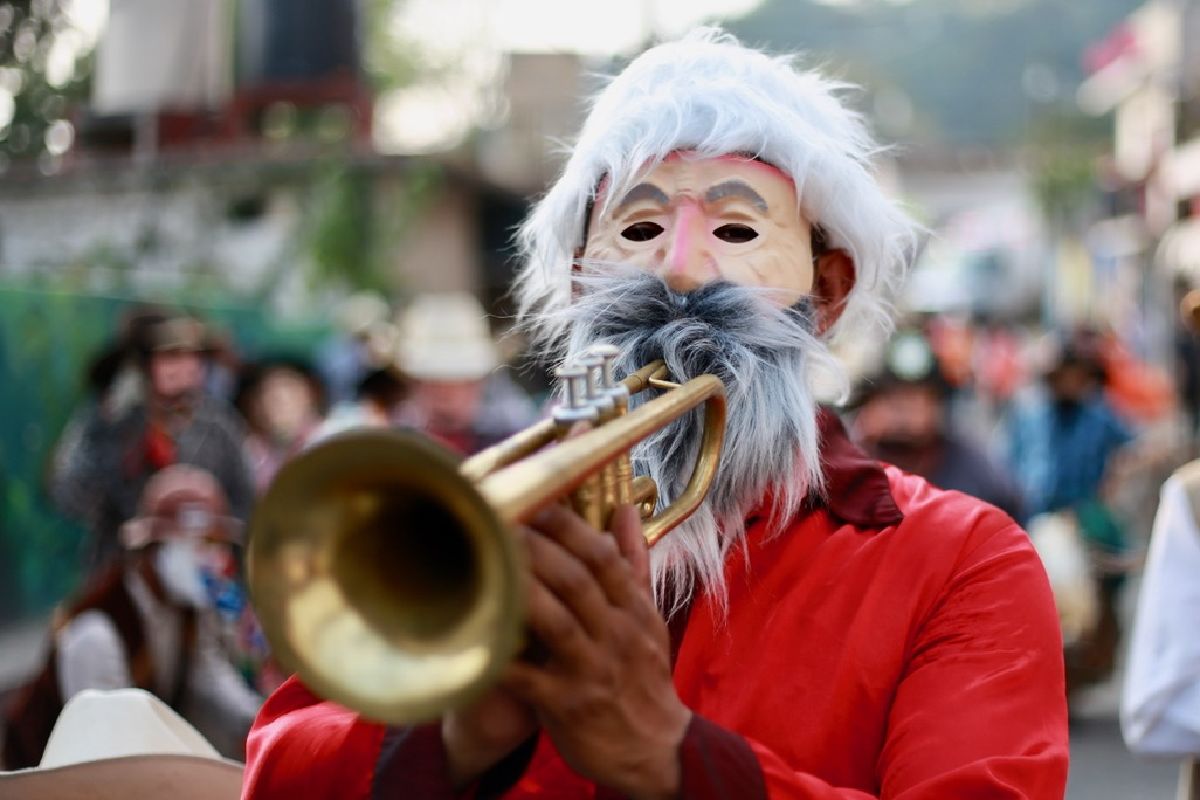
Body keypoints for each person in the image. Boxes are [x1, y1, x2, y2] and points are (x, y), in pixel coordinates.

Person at [244, 29, 1068, 798]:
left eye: (738, 231)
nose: (677, 270)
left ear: (824, 292)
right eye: (638, 227)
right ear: (575, 280)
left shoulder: (959, 561)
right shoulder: (472, 521)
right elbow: (281, 764)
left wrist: (670, 756)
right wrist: (455, 738)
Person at [3, 466, 263, 768]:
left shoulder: (186, 615)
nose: (214, 560)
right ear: (155, 548)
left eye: (216, 545)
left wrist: (265, 723)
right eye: (201, 544)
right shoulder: (97, 633)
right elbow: (108, 749)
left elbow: (211, 682)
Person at [51, 314, 255, 570]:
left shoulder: (220, 425)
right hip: (124, 571)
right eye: (171, 357)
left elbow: (246, 503)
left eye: (195, 358)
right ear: (145, 365)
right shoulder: (111, 422)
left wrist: (212, 528)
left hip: (202, 573)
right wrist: (110, 428)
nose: (184, 368)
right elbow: (69, 495)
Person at [851, 328, 1025, 522]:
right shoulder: (854, 467)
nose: (903, 413)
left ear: (937, 405)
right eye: (893, 399)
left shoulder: (975, 471)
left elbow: (1010, 512)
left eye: (915, 400)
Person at [398, 292, 538, 456]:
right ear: (413, 383)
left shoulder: (514, 438)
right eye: (433, 381)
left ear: (479, 381)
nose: (444, 393)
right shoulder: (395, 443)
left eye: (457, 379)